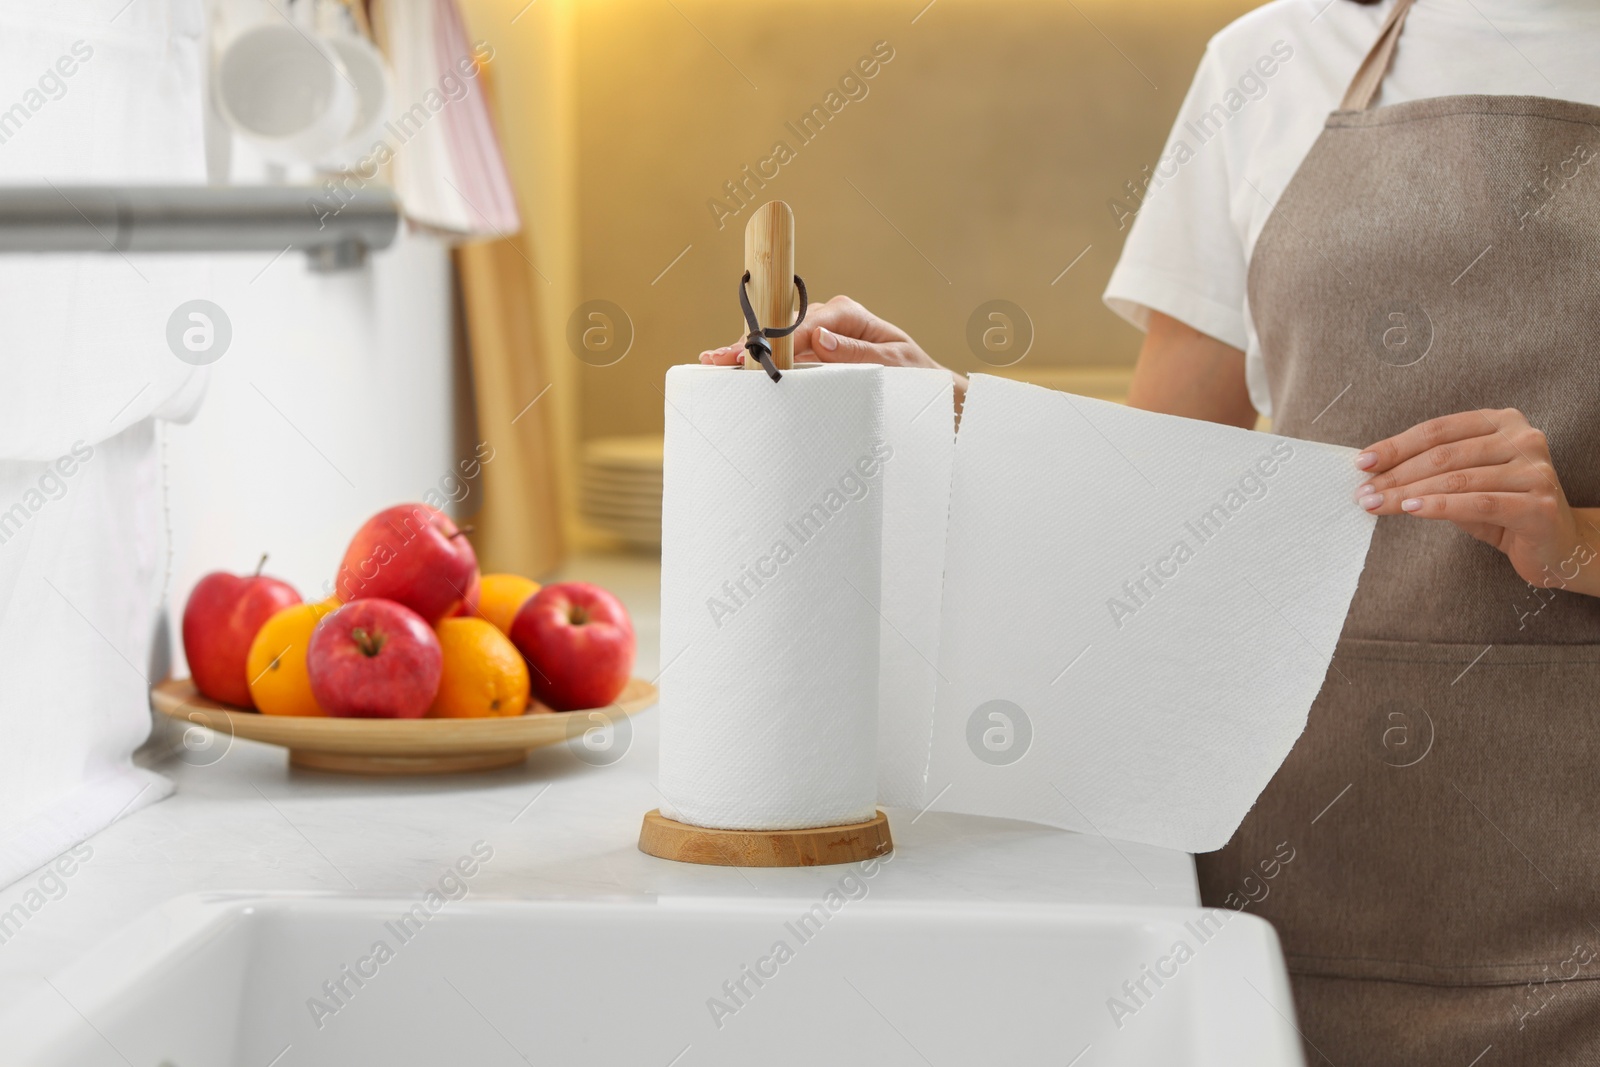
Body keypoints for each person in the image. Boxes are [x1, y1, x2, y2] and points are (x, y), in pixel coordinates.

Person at [705, 0, 1600, 1061]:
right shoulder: (1268, 61)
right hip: (1291, 846)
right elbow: (1159, 501)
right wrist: (946, 407)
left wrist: (1577, 540)